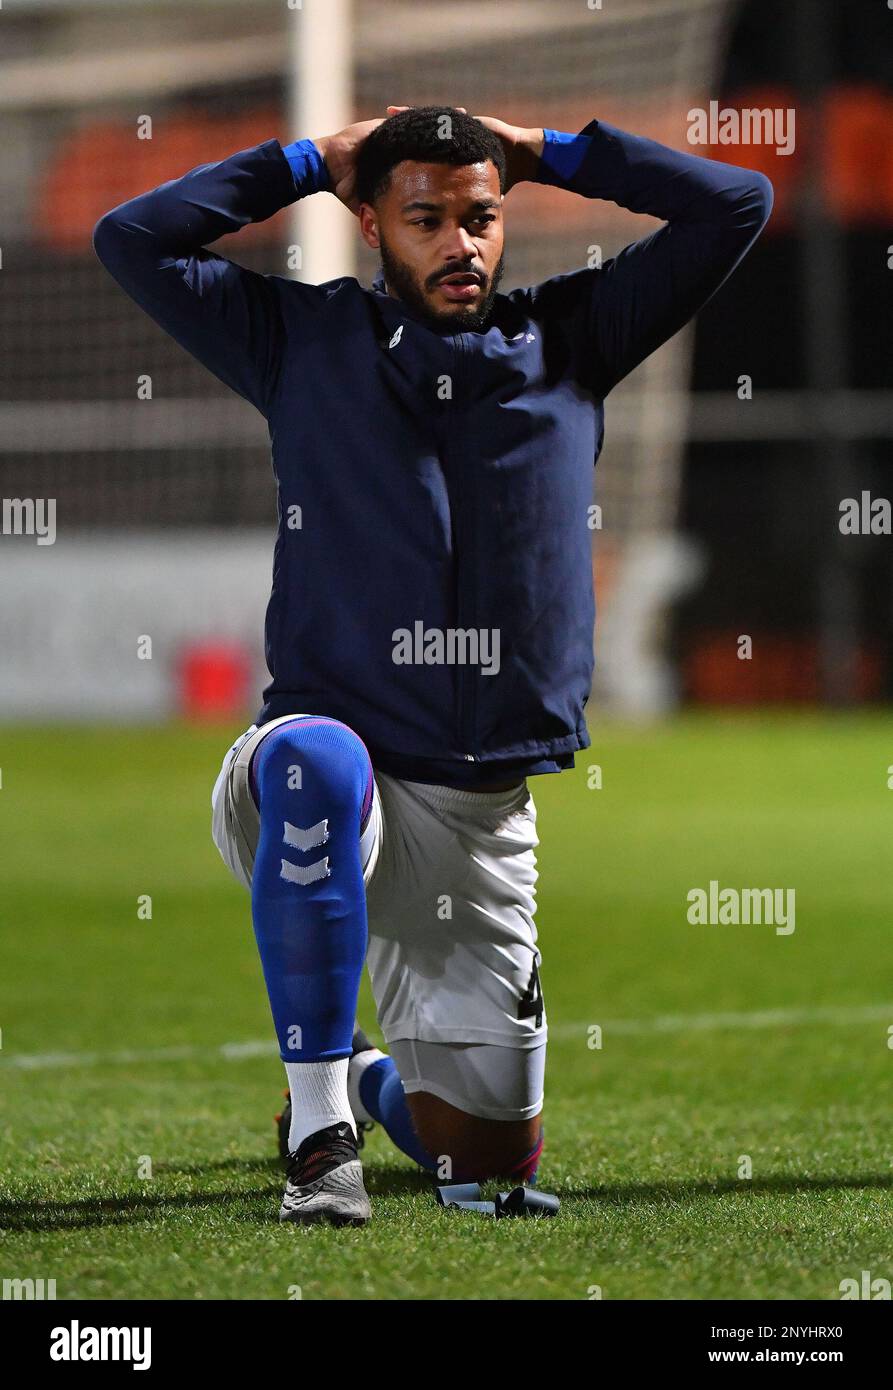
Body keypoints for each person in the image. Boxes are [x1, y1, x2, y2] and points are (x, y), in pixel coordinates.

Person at [94, 104, 772, 1226]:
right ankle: (319, 1136)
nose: (460, 243)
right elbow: (133, 237)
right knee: (316, 759)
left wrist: (552, 150)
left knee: (486, 1162)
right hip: (323, 771)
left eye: (479, 217)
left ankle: (363, 1077)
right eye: (425, 219)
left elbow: (734, 205)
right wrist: (309, 159)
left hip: (478, 810)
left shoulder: (573, 338)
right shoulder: (296, 340)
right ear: (368, 223)